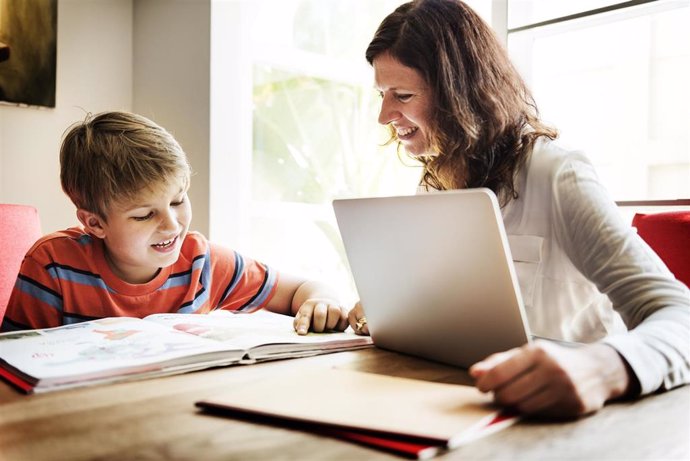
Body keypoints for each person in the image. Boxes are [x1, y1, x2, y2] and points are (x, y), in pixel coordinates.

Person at [347, 0, 690, 418]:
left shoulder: (556, 173)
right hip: (467, 404)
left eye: (402, 95)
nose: (385, 115)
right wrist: (392, 311)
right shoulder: (435, 182)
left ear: (460, 94)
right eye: (382, 95)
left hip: (577, 421)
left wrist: (605, 367)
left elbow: (679, 316)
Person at [2, 111, 348, 336]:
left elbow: (303, 289)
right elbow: (13, 364)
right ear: (95, 224)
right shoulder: (52, 267)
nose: (172, 225)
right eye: (144, 214)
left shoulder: (201, 261)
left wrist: (321, 302)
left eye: (178, 200)